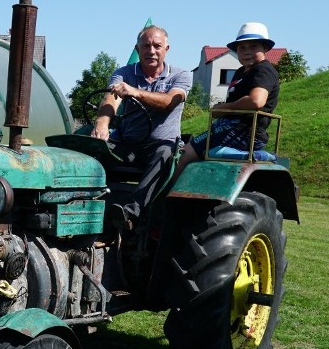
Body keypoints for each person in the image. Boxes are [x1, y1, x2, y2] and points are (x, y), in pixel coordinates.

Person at [91, 25, 191, 230]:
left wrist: (135, 92)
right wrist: (102, 124)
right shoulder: (124, 73)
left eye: (157, 46)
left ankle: (129, 214)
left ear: (167, 49)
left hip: (160, 144)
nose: (151, 51)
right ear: (137, 49)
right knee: (92, 151)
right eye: (146, 46)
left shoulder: (180, 76)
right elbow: (111, 98)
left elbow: (169, 102)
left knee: (164, 153)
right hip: (128, 143)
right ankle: (84, 204)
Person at [175, 22, 280, 178]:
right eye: (242, 47)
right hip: (231, 128)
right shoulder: (240, 72)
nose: (247, 52)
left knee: (186, 153)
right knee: (185, 146)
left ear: (265, 48)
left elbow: (256, 101)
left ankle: (165, 198)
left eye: (253, 46)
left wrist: (224, 108)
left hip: (244, 132)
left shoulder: (263, 70)